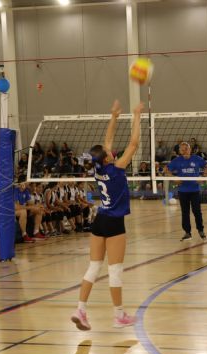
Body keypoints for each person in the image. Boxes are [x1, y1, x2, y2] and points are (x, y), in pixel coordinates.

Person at [70, 99, 143, 331]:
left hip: (99, 220)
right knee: (115, 270)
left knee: (93, 267)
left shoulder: (98, 168)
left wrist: (113, 116)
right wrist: (137, 116)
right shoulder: (118, 167)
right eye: (109, 153)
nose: (111, 151)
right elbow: (134, 143)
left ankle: (80, 309)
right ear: (108, 158)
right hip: (113, 222)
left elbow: (107, 141)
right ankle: (119, 315)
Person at [168, 141, 207, 241]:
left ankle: (201, 230)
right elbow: (166, 170)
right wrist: (174, 179)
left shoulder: (196, 158)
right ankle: (187, 233)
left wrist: (203, 177)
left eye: (186, 148)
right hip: (182, 191)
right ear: (179, 151)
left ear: (190, 149)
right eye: (182, 149)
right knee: (185, 212)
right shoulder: (176, 160)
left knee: (197, 211)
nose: (184, 151)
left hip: (194, 190)